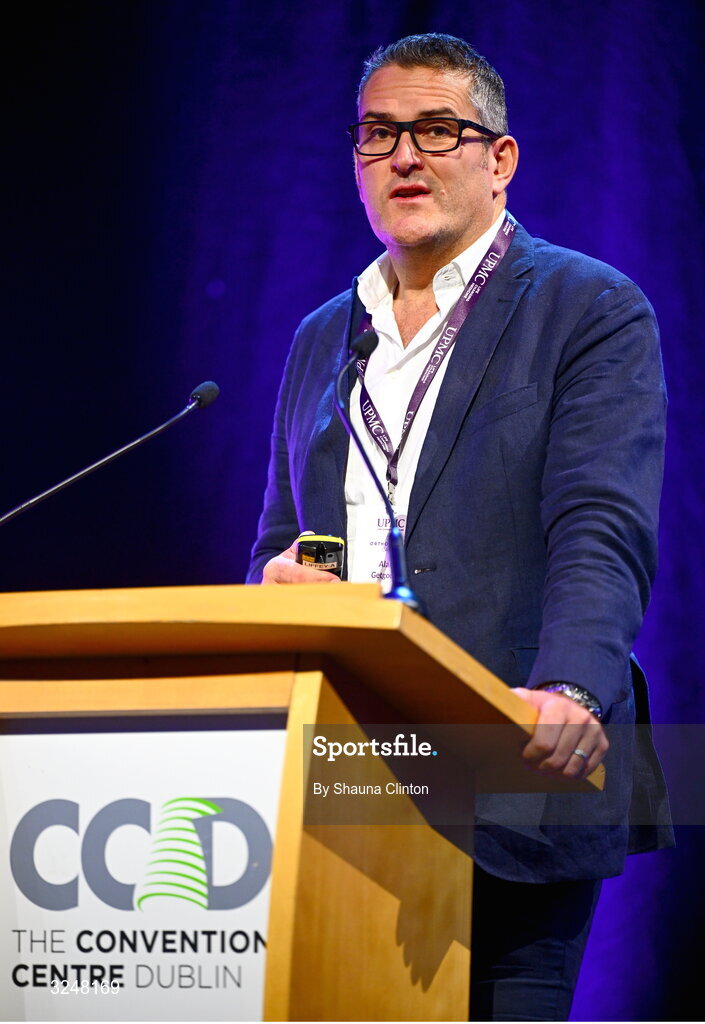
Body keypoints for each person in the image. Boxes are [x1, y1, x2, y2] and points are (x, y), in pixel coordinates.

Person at [247, 33, 672, 1021]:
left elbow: (598, 523)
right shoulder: (323, 334)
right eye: (380, 134)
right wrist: (273, 584)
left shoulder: (587, 308)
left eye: (438, 129)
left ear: (500, 159)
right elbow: (275, 537)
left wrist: (573, 686)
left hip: (514, 763)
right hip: (345, 775)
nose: (405, 155)